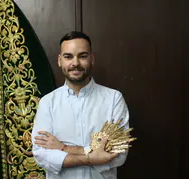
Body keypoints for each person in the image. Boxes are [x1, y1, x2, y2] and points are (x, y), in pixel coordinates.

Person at [31, 31, 130, 179]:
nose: (75, 63)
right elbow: (42, 156)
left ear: (92, 59)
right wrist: (92, 157)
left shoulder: (114, 99)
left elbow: (118, 155)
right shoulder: (47, 103)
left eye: (82, 56)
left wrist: (64, 148)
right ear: (59, 60)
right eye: (68, 56)